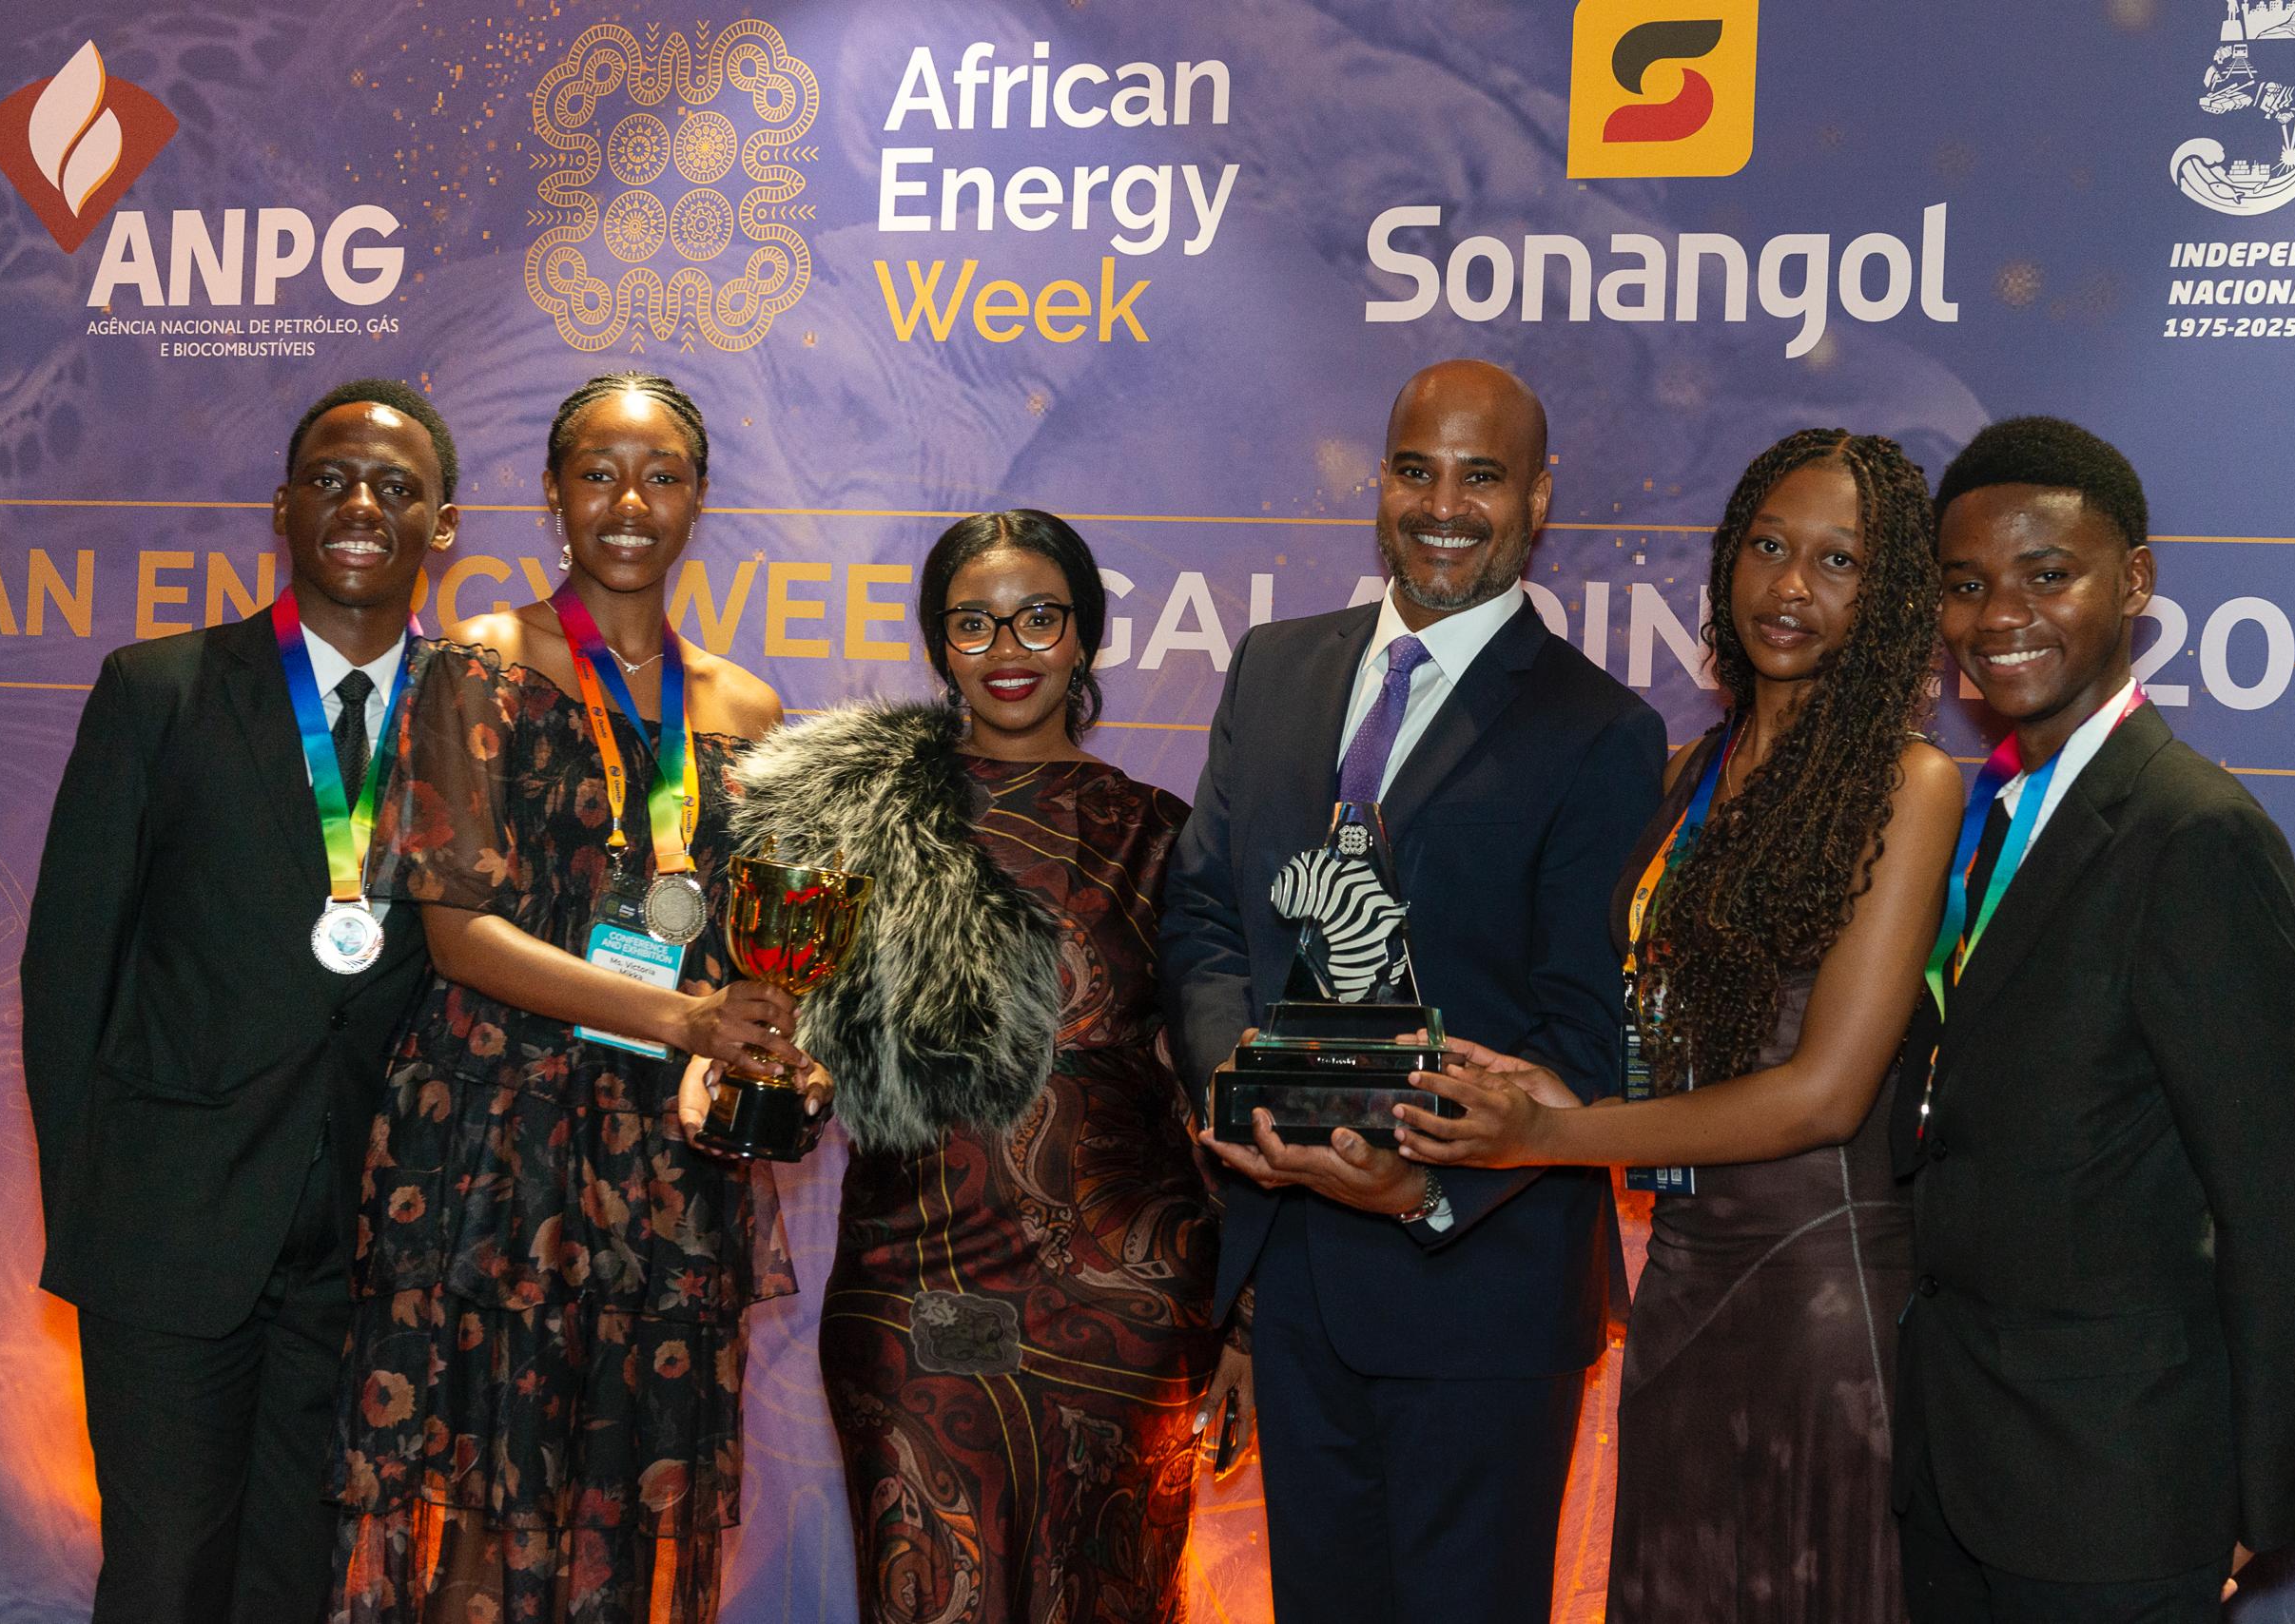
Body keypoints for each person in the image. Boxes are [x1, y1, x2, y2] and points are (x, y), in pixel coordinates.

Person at [1392, 429, 1962, 1621]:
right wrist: (1537, 1092)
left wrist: (1542, 1139)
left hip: (1822, 1305)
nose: (1790, 586)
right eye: (1767, 546)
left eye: (1838, 561)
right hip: (1682, 1288)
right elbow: (1653, 1029)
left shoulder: (1910, 785)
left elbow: (1825, 1094)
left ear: (1892, 591)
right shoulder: (1688, 769)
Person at [1161, 359, 1666, 1623]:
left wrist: (1431, 1185)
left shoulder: (1598, 730)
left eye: (1482, 476)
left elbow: (1580, 1032)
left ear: (1538, 500)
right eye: (1416, 469)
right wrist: (1240, 1094)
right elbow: (1210, 911)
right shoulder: (1274, 670)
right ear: (1379, 484)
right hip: (1296, 1274)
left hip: (1478, 1289)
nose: (1444, 503)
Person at [326, 373, 800, 1624]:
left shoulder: (751, 712)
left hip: (666, 1156)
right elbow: (457, 935)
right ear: (551, 493)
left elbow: (745, 954)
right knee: (489, 1514)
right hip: (500, 1140)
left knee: (628, 1516)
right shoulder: (481, 662)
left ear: (700, 497)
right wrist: (686, 1019)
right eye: (597, 472)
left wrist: (757, 1032)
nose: (628, 501)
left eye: (660, 474)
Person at [710, 510, 1218, 1623]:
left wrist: (1243, 1314)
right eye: (974, 624)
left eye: (1039, 619)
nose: (1008, 650)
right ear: (939, 647)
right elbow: (789, 1039)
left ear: (1082, 637)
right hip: (920, 1287)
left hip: (1128, 1297)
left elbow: (1201, 1080)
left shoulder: (1160, 834)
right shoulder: (855, 820)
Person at [1890, 416, 2295, 1621]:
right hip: (1956, 1464)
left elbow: (2284, 1195)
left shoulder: (2191, 832)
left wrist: (2254, 1497)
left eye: (2048, 575)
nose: (2001, 617)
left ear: (2133, 581)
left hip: (2118, 1489)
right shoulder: (1998, 814)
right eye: (1966, 586)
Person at [20, 379, 458, 1624]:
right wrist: (100, 1205)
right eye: (329, 477)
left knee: (301, 1588)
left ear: (444, 521)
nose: (359, 504)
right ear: (281, 508)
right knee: (163, 1581)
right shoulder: (158, 690)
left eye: (395, 485)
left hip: (373, 1243)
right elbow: (67, 973)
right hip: (170, 1234)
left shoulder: (482, 718)